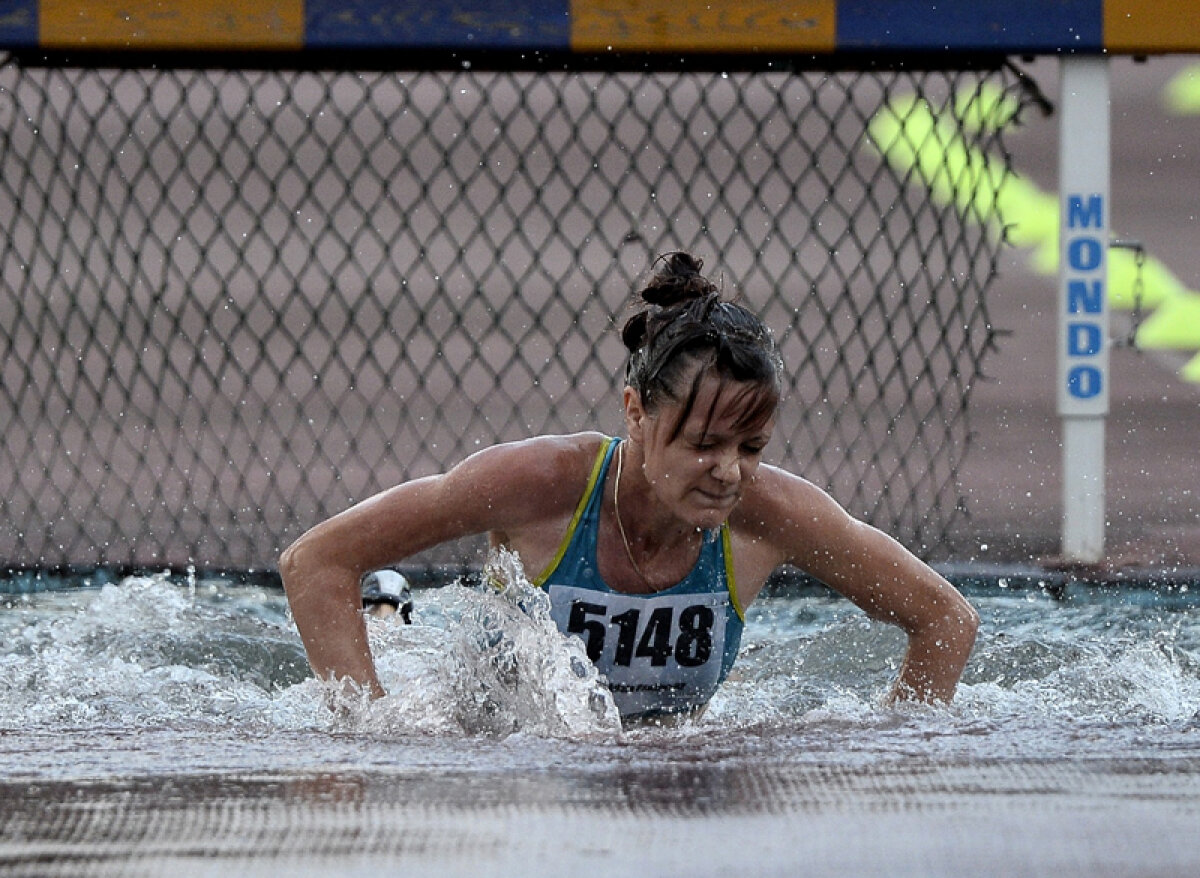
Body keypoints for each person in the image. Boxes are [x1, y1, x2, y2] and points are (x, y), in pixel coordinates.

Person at [279, 252, 979, 722]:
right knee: (399, 664)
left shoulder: (773, 515)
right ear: (636, 412)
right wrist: (363, 750)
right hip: (485, 738)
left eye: (752, 447)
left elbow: (945, 620)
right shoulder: (539, 484)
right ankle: (387, 616)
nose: (729, 472)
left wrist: (901, 754)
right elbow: (317, 561)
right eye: (703, 444)